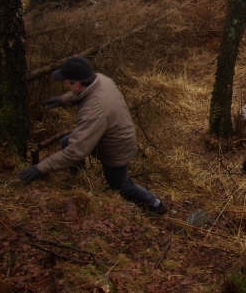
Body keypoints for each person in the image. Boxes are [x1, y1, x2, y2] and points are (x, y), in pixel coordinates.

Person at [19, 56, 168, 215]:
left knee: (120, 185)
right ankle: (78, 180)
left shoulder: (95, 109)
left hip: (117, 148)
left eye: (66, 82)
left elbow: (76, 151)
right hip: (111, 133)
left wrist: (40, 168)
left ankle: (155, 204)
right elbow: (85, 92)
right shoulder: (101, 79)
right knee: (66, 141)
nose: (64, 84)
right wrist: (64, 99)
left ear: (77, 83)